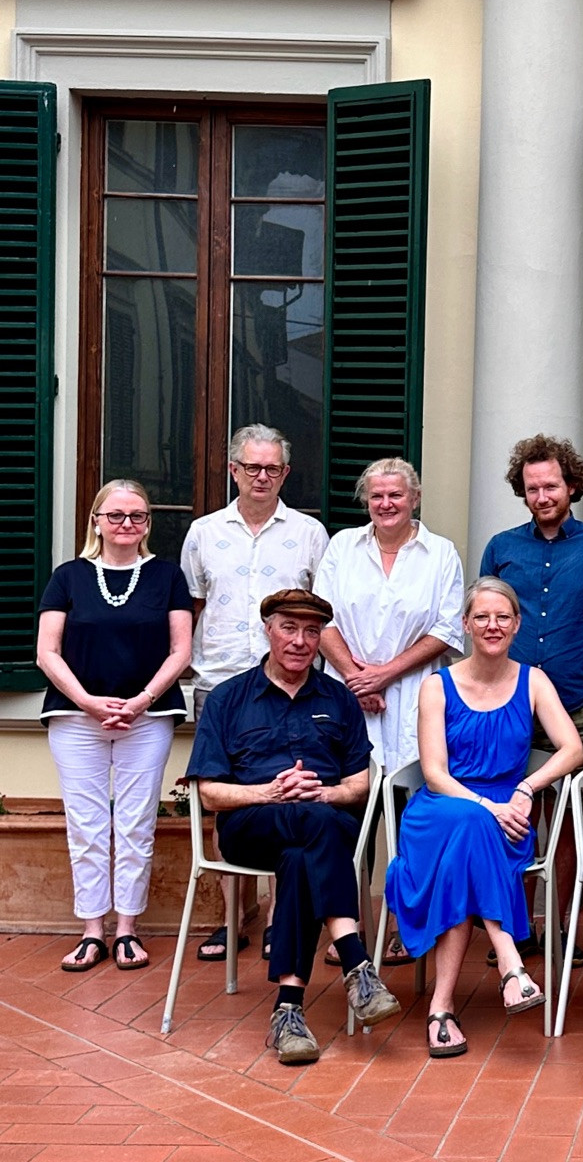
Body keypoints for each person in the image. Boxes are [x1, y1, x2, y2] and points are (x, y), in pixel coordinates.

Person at [186, 588, 401, 1064]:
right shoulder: (228, 699)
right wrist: (270, 792)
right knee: (316, 826)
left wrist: (322, 792)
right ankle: (356, 964)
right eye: (289, 628)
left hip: (317, 829)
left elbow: (360, 783)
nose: (301, 641)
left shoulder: (339, 699)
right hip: (250, 826)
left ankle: (288, 1013)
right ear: (268, 629)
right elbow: (209, 793)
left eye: (311, 631)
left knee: (303, 852)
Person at [385, 578, 583, 1056]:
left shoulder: (533, 680)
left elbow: (573, 748)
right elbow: (434, 774)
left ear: (517, 624)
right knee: (470, 829)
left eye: (502, 617)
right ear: (466, 625)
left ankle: (441, 1008)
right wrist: (485, 808)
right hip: (442, 809)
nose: (492, 626)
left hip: (506, 814)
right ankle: (510, 960)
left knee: (464, 861)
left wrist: (525, 788)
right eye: (482, 617)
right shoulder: (437, 685)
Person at [181, 422, 329, 964]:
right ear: (232, 470)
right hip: (219, 681)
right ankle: (229, 922)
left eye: (272, 468)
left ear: (286, 473)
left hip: (291, 685)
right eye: (251, 467)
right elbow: (193, 607)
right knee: (225, 803)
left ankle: (276, 920)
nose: (261, 476)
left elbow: (319, 616)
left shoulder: (310, 534)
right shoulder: (202, 533)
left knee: (287, 793)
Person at [36, 481, 193, 974]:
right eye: (117, 515)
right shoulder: (69, 577)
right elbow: (46, 651)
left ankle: (126, 929)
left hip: (146, 719)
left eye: (138, 516)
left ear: (148, 523)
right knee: (85, 825)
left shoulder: (167, 576)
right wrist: (85, 701)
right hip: (76, 719)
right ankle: (91, 930)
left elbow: (181, 650)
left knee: (134, 823)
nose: (127, 524)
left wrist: (143, 700)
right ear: (96, 520)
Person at [480, 433, 583, 955]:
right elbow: (487, 623)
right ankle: (515, 929)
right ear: (522, 491)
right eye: (532, 488)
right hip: (510, 703)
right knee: (512, 813)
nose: (542, 496)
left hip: (578, 703)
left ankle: (561, 929)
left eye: (552, 486)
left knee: (566, 822)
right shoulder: (502, 548)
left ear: (572, 486)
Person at [316, 457, 465, 774]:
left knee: (409, 798)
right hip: (346, 690)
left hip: (414, 692)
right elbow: (321, 620)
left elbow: (446, 629)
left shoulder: (441, 553)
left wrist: (384, 675)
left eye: (395, 495)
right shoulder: (342, 546)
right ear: (366, 501)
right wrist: (360, 682)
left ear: (415, 498)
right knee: (345, 799)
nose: (386, 504)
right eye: (376, 496)